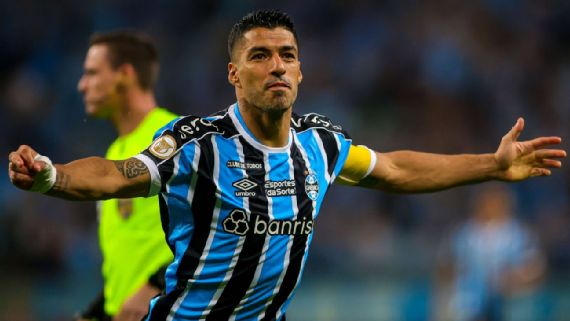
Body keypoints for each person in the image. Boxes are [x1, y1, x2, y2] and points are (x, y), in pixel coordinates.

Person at [8, 9, 565, 321]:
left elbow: (396, 169)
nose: (277, 66)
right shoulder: (197, 140)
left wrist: (490, 166)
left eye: (288, 55)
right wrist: (53, 176)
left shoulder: (321, 145)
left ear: (300, 70)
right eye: (260, 55)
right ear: (234, 73)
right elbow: (118, 174)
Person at [75, 31, 177, 321]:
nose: (82, 85)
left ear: (125, 74)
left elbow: (217, 228)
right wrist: (95, 312)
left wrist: (156, 285)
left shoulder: (172, 137)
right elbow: (127, 260)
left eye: (92, 73)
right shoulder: (115, 151)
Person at [435, 184, 546, 321]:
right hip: (468, 303)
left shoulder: (519, 234)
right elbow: (445, 266)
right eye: (486, 201)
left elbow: (534, 268)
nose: (490, 206)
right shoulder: (462, 233)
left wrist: (516, 277)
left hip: (509, 302)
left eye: (496, 201)